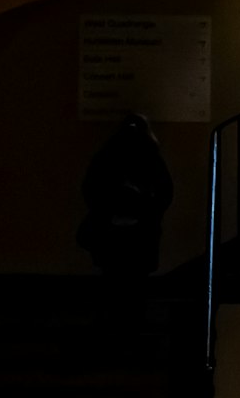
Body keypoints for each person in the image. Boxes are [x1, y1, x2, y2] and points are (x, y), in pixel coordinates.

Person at [75, 113, 175, 279]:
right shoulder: (152, 158)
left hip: (110, 230)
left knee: (112, 272)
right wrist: (148, 213)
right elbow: (165, 193)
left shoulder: (105, 157)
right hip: (142, 232)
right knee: (137, 276)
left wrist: (106, 213)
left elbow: (90, 190)